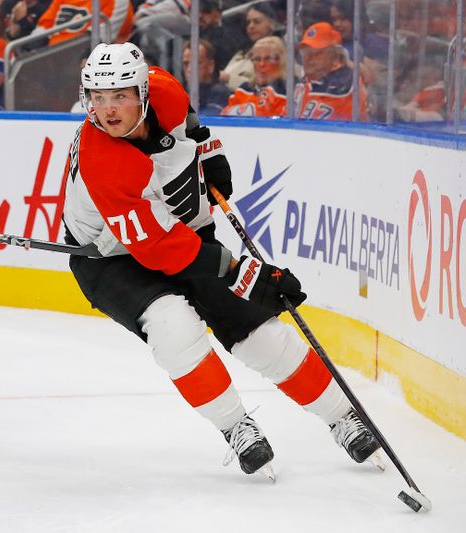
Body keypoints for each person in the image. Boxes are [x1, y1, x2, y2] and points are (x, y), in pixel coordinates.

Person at [63, 41, 383, 478]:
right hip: (111, 259)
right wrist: (248, 273)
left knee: (258, 332)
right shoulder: (105, 159)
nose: (109, 110)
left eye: (119, 96)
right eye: (98, 99)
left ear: (142, 93)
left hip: (185, 230)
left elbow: (191, 123)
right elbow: (158, 248)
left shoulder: (165, 90)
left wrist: (209, 154)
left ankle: (343, 416)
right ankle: (236, 427)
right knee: (174, 327)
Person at [295, 22, 368, 121]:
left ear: (335, 58)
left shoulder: (344, 81)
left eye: (317, 53)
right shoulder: (305, 81)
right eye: (305, 53)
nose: (308, 58)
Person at [221, 35, 286, 117]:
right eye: (257, 59)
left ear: (281, 61)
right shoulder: (245, 89)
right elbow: (225, 115)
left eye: (268, 58)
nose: (261, 64)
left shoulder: (289, 91)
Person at [220, 3, 278, 91]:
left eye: (257, 22)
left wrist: (228, 79)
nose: (251, 26)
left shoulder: (278, 53)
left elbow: (263, 86)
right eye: (248, 23)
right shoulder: (241, 53)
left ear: (271, 24)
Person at [181, 38, 230, 116]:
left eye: (196, 63)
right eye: (186, 64)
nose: (189, 69)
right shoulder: (180, 92)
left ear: (211, 66)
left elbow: (205, 122)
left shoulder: (219, 92)